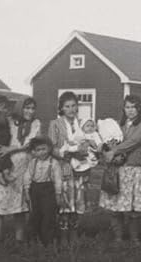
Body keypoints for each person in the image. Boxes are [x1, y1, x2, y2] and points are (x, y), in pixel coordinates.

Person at [0, 97, 41, 244]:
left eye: (32, 108)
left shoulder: (35, 124)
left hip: (22, 167)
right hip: (4, 164)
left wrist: (11, 148)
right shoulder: (8, 121)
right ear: (20, 108)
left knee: (20, 206)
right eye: (26, 108)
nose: (30, 111)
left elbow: (31, 143)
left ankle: (19, 239)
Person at [100, 95, 141, 246]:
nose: (131, 110)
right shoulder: (118, 126)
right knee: (116, 206)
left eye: (134, 107)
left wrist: (113, 151)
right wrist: (105, 150)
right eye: (128, 107)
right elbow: (107, 140)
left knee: (134, 207)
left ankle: (134, 238)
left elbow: (132, 142)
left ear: (139, 109)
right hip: (119, 170)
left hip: (134, 170)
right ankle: (118, 237)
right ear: (124, 108)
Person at [48, 91, 88, 246]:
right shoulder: (55, 124)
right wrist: (65, 153)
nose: (71, 109)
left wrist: (84, 151)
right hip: (63, 166)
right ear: (61, 108)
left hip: (80, 167)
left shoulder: (82, 123)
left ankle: (74, 233)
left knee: (78, 200)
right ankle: (63, 234)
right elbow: (51, 147)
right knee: (65, 202)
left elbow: (88, 142)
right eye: (67, 106)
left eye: (73, 106)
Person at [23, 136, 62, 246]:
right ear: (34, 152)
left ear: (49, 148)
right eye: (38, 150)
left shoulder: (53, 163)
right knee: (35, 214)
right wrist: (26, 190)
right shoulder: (32, 163)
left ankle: (48, 240)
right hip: (35, 190)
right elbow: (27, 176)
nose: (41, 152)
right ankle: (33, 238)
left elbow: (58, 179)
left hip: (48, 190)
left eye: (43, 149)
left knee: (48, 214)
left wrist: (58, 194)